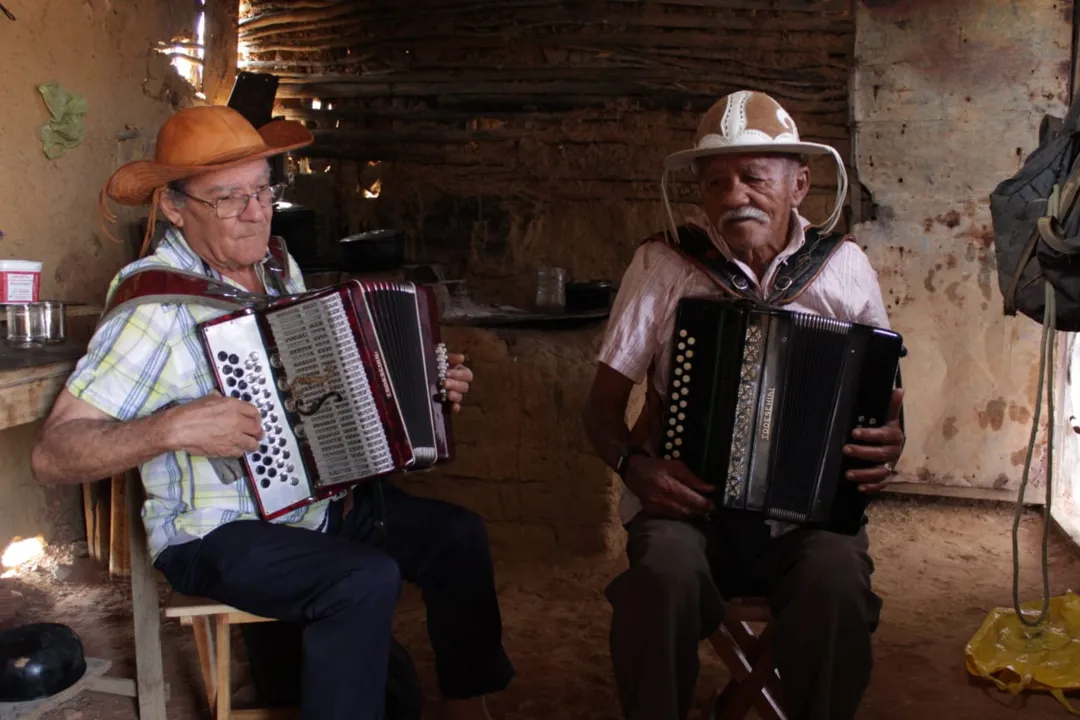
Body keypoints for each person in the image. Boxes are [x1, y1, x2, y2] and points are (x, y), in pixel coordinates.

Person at [30, 105, 514, 720]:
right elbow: (53, 454)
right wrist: (170, 427)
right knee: (360, 581)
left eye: (263, 190)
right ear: (175, 207)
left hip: (313, 506)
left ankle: (469, 705)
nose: (256, 212)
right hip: (213, 532)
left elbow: (321, 383)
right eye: (228, 199)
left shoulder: (278, 266)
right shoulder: (151, 308)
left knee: (458, 538)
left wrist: (422, 389)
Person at [583, 90, 906, 720]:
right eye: (716, 182)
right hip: (687, 514)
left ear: (799, 185)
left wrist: (891, 442)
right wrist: (634, 467)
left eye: (754, 178)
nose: (734, 196)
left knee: (838, 583)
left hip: (806, 521)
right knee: (660, 579)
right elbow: (600, 409)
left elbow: (884, 404)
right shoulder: (662, 265)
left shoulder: (845, 268)